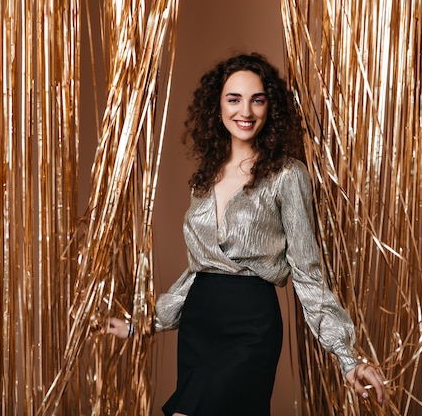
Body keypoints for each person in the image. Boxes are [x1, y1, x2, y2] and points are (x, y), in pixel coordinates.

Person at [106, 53, 386, 415]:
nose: (246, 111)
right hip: (199, 325)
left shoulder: (287, 175)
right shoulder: (204, 180)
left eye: (258, 99)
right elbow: (196, 273)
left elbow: (307, 273)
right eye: (234, 99)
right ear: (216, 106)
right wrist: (140, 324)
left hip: (251, 325)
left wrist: (349, 357)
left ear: (271, 107)